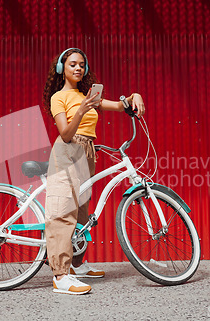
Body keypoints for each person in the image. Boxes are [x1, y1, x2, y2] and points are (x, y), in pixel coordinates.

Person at [42, 48, 145, 295]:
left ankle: (76, 265)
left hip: (88, 152)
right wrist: (82, 108)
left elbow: (121, 106)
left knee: (81, 213)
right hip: (68, 151)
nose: (78, 68)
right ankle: (60, 275)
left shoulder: (87, 96)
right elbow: (65, 134)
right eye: (72, 64)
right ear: (62, 69)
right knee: (63, 212)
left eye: (81, 65)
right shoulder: (59, 97)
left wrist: (135, 95)